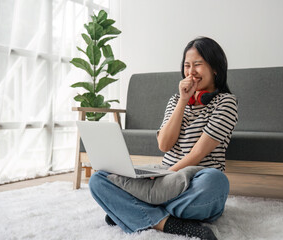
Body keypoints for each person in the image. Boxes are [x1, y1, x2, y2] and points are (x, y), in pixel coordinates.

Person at [89, 36, 238, 240]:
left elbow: (198, 153)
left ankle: (132, 211)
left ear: (215, 68)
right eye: (187, 65)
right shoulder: (176, 101)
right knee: (99, 179)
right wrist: (183, 101)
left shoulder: (226, 103)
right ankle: (168, 223)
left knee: (216, 181)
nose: (191, 71)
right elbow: (164, 144)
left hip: (193, 180)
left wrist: (167, 176)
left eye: (198, 65)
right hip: (163, 179)